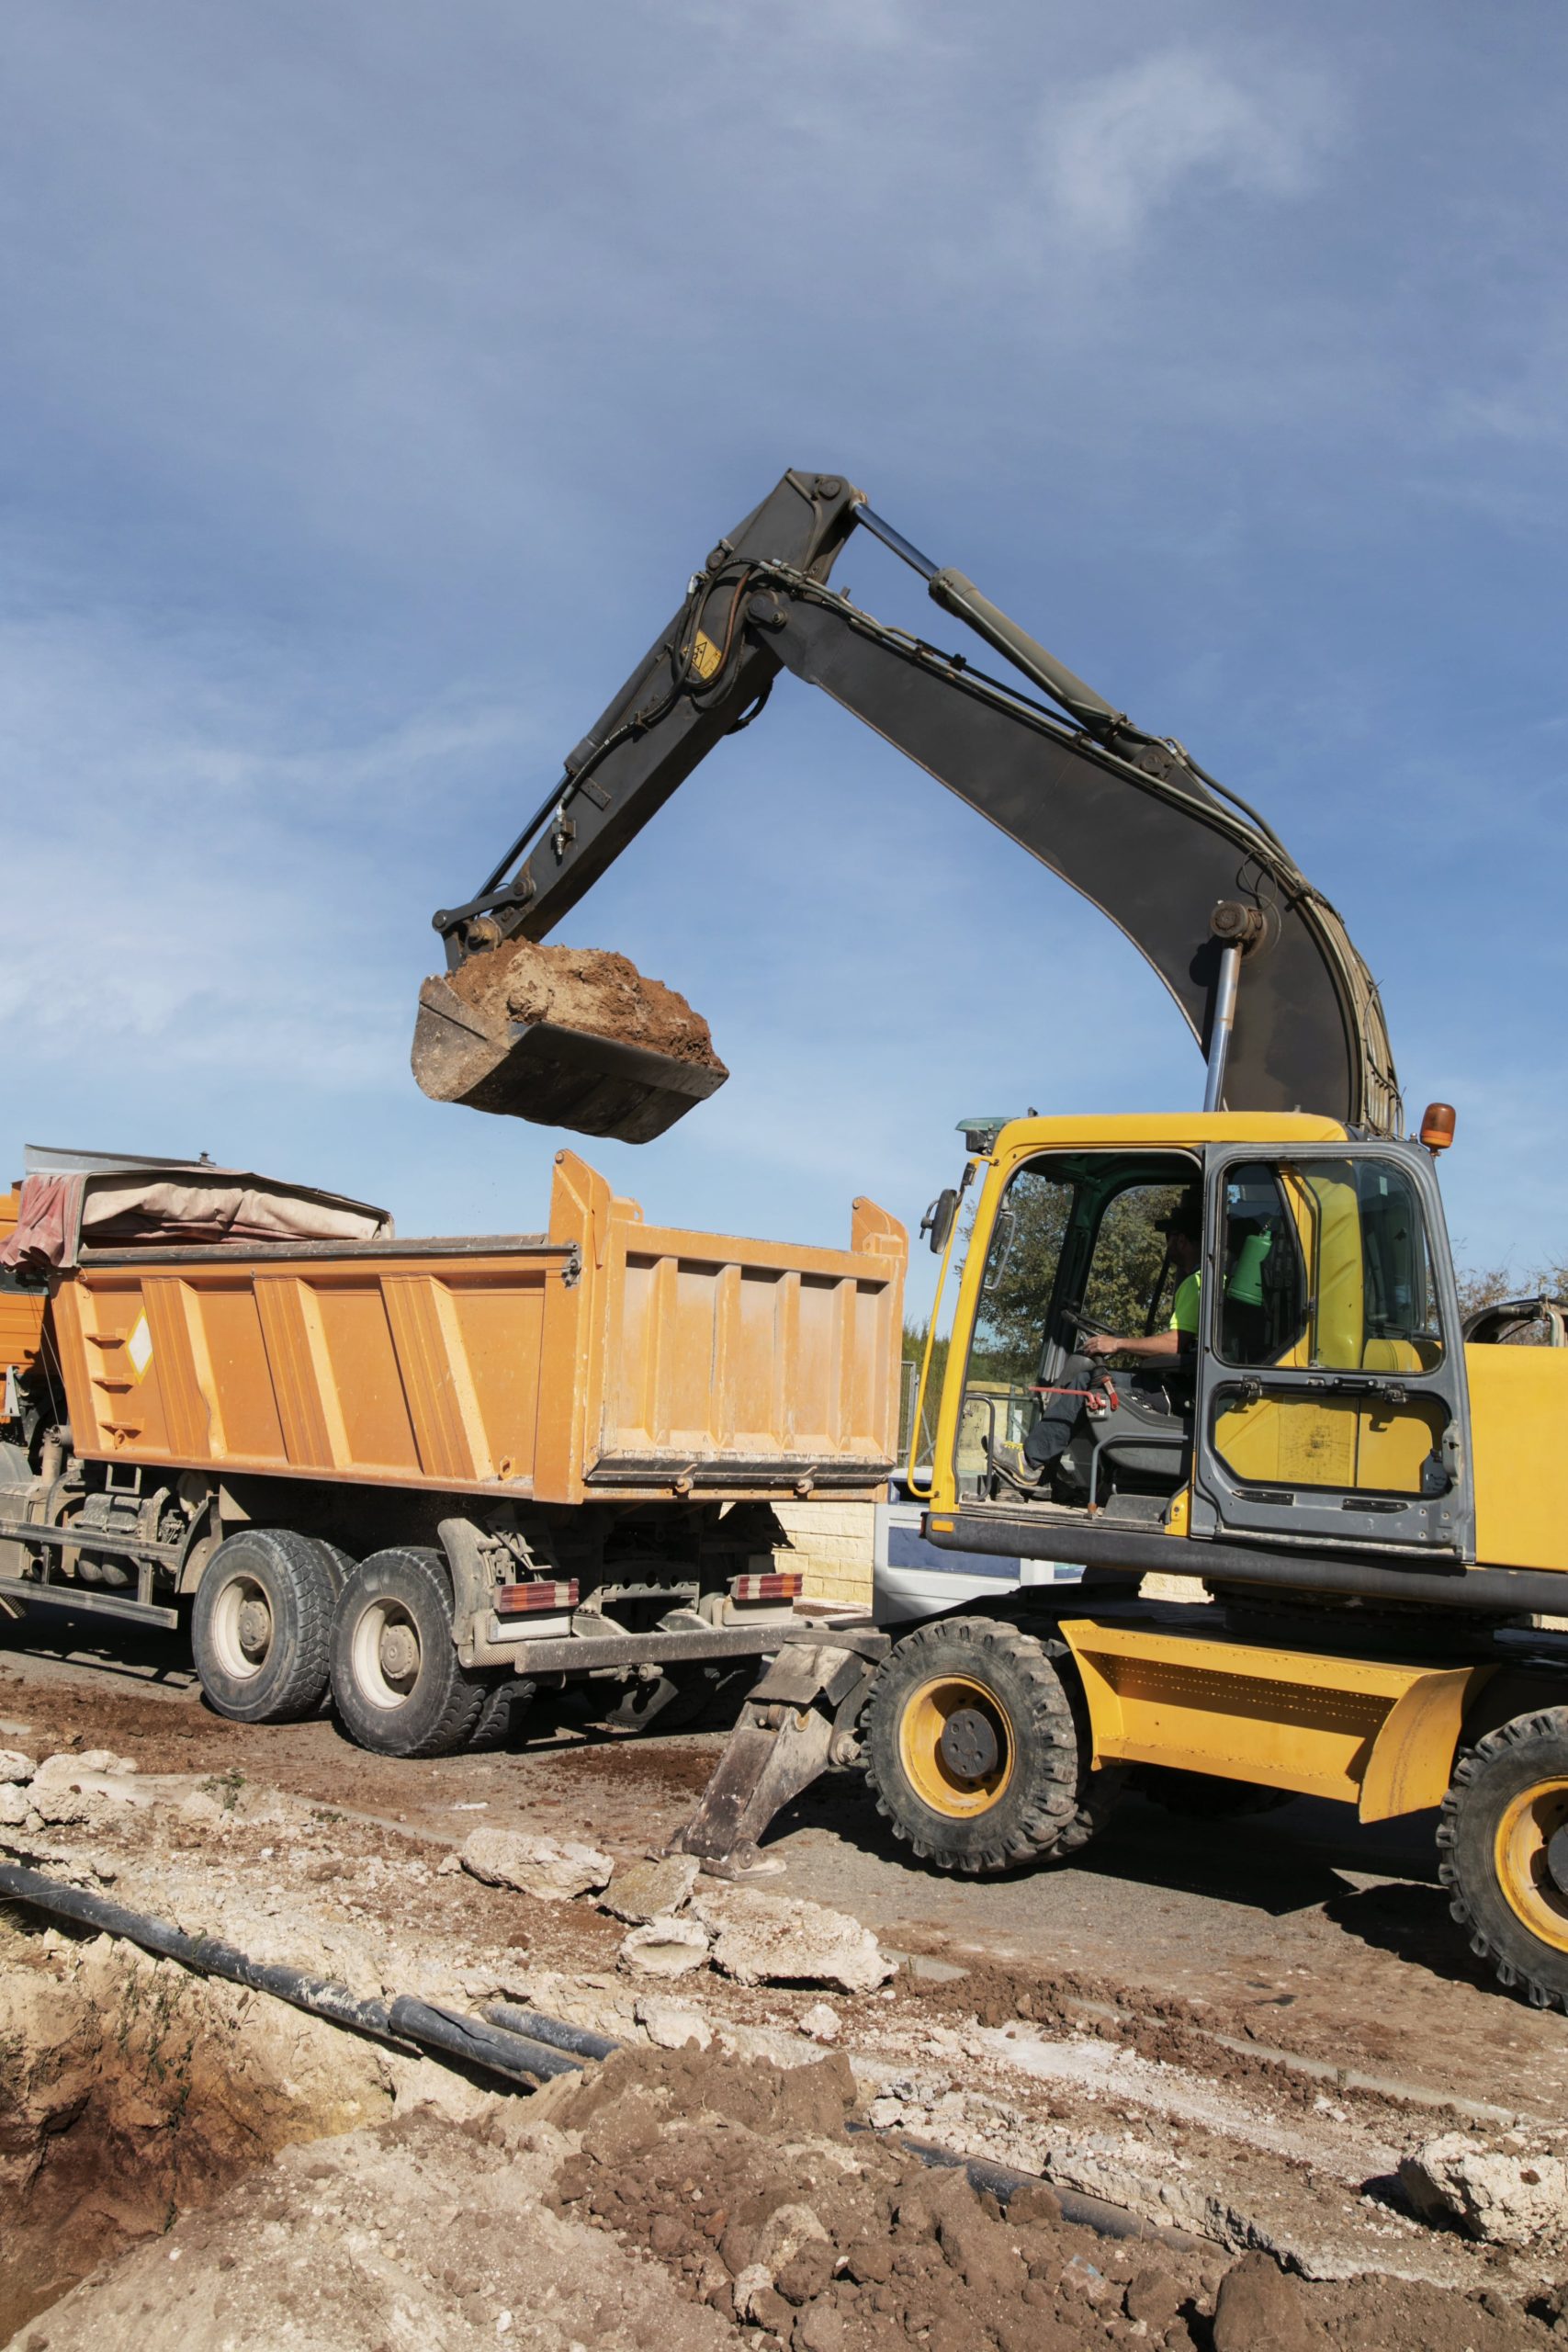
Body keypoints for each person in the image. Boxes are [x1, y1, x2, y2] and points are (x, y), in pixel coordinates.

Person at [990, 1195, 1201, 1496]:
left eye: (1169, 1238)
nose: (1167, 1246)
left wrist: (1118, 1344)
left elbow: (1176, 1342)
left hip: (1172, 1392)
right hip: (1179, 1385)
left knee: (1085, 1377)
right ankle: (1051, 1465)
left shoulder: (1196, 1283)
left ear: (1180, 1240)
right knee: (1090, 1370)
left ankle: (1029, 1463)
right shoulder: (1207, 1280)